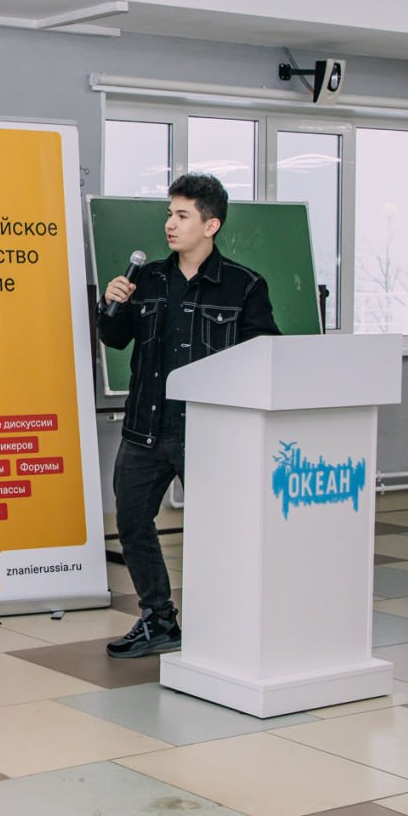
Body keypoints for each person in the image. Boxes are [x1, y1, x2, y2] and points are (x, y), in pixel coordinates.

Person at [96, 173, 279, 658]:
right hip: (144, 428)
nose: (170, 224)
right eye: (169, 214)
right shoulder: (148, 279)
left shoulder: (243, 286)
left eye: (182, 215)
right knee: (133, 522)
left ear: (211, 224)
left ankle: (235, 621)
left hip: (209, 433)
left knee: (225, 530)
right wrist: (111, 305)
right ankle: (158, 620)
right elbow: (114, 338)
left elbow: (264, 357)